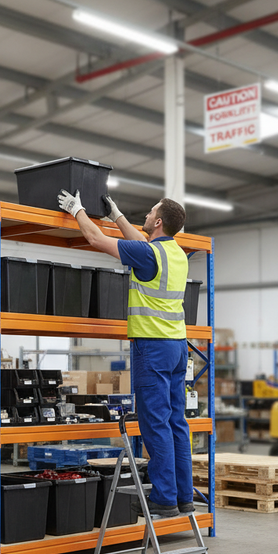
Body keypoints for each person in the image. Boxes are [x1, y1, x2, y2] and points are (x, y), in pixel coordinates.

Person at [57, 189, 193, 519]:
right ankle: (183, 496)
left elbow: (94, 239)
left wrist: (78, 210)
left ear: (158, 222)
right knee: (177, 423)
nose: (144, 216)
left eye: (149, 212)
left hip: (153, 348)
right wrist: (117, 215)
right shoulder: (175, 253)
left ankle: (163, 497)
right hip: (177, 347)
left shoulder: (151, 255)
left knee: (155, 424)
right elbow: (142, 246)